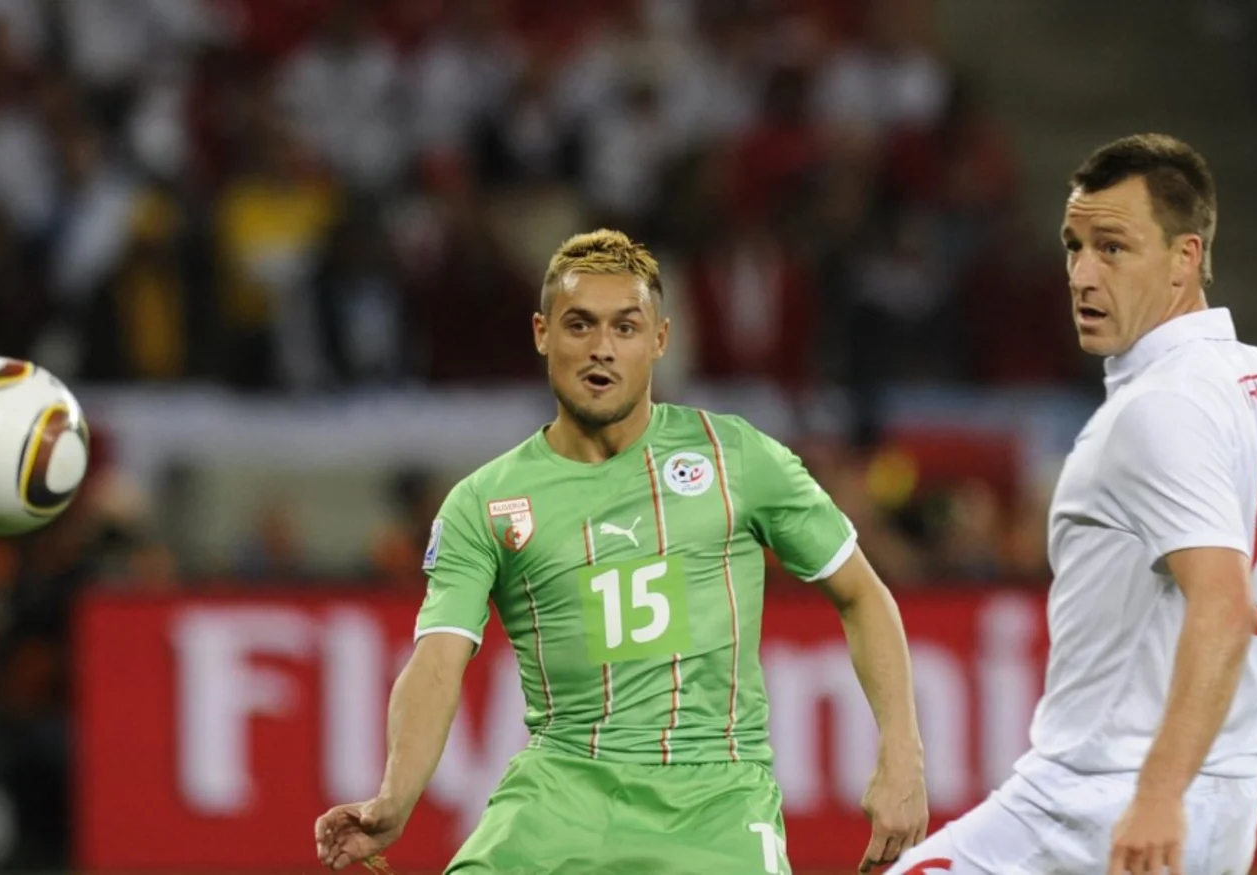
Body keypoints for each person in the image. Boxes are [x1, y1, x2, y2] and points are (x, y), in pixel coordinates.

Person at [314, 229, 929, 874]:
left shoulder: (736, 458)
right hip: (561, 790)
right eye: (579, 325)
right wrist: (396, 796)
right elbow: (438, 660)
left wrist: (903, 754)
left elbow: (862, 594)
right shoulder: (485, 501)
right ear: (541, 333)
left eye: (625, 328)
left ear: (658, 340)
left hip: (714, 799)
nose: (601, 349)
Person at [888, 133, 1257, 875]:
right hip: (1226, 803)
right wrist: (1220, 716)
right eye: (1073, 245)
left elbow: (1225, 602)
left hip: (1098, 805)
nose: (1083, 274)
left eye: (1112, 247)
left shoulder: (1159, 406)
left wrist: (1159, 788)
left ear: (1186, 256)